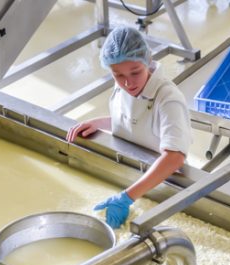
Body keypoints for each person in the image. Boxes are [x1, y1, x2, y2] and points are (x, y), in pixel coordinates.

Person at [66, 25, 192, 228]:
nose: (128, 83)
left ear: (148, 60)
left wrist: (127, 197)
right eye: (118, 75)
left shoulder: (169, 100)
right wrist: (100, 122)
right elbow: (133, 120)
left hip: (159, 180)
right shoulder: (124, 84)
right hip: (133, 167)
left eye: (135, 72)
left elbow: (175, 157)